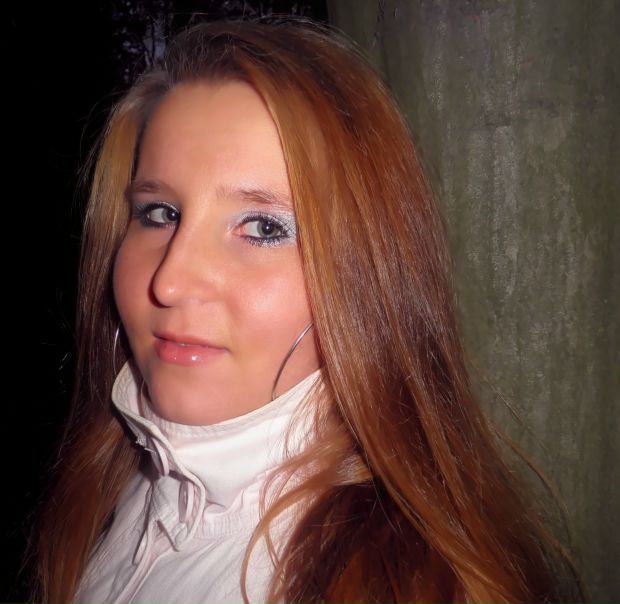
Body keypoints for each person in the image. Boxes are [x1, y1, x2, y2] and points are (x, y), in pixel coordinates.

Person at [31, 19, 581, 604]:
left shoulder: (391, 584)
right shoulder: (121, 482)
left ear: (369, 272)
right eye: (160, 214)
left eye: (264, 227)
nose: (170, 281)